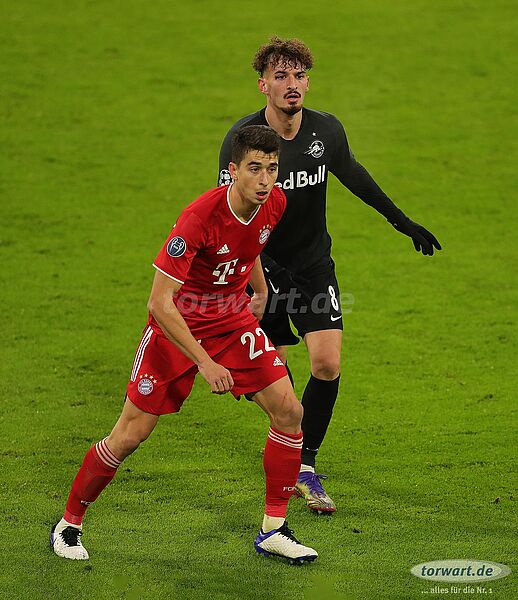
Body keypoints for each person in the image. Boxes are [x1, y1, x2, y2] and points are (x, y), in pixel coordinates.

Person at [50, 125, 318, 564]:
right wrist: (206, 362)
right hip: (176, 328)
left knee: (289, 411)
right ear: (232, 171)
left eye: (272, 168)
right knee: (130, 435)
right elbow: (159, 303)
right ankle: (68, 524)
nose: (265, 179)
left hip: (230, 320)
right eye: (254, 168)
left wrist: (261, 289)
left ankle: (274, 529)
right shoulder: (199, 218)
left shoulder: (274, 204)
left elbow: (249, 247)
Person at [218, 37, 441, 514]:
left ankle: (303, 464)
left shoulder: (326, 131)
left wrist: (403, 223)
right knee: (271, 382)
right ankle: (282, 432)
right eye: (281, 76)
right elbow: (229, 216)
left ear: (308, 82)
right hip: (262, 269)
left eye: (299, 76)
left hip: (312, 265)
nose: (292, 84)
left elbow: (355, 176)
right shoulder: (244, 140)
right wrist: (246, 283)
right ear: (263, 85)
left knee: (326, 365)